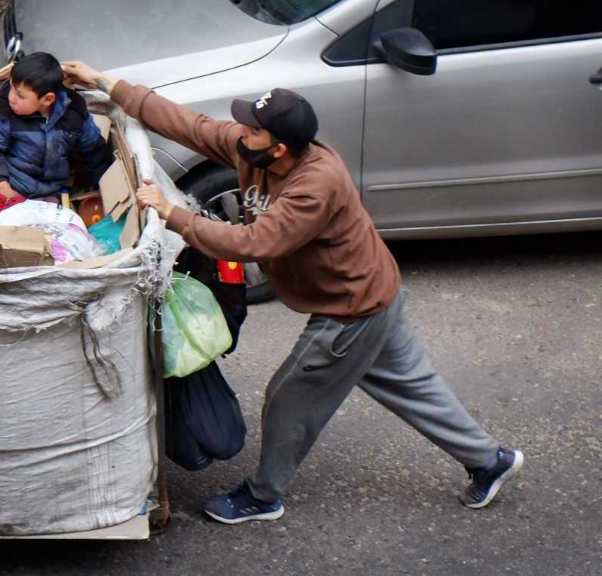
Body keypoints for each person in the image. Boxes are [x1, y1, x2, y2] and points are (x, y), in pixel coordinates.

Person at [61, 60, 524, 524]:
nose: (240, 131)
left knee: (289, 399)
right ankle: (491, 460)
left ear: (279, 147)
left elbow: (254, 242)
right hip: (375, 292)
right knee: (415, 388)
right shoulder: (255, 150)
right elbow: (191, 125)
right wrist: (104, 82)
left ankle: (263, 496)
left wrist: (172, 213)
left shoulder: (314, 186)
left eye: (252, 129)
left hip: (351, 309)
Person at [0, 53, 112, 215]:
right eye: (11, 87)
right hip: (10, 183)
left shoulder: (74, 114)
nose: (12, 97)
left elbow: (95, 153)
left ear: (47, 99)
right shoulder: (4, 108)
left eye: (20, 95)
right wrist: (1, 185)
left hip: (50, 193)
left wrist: (103, 190)